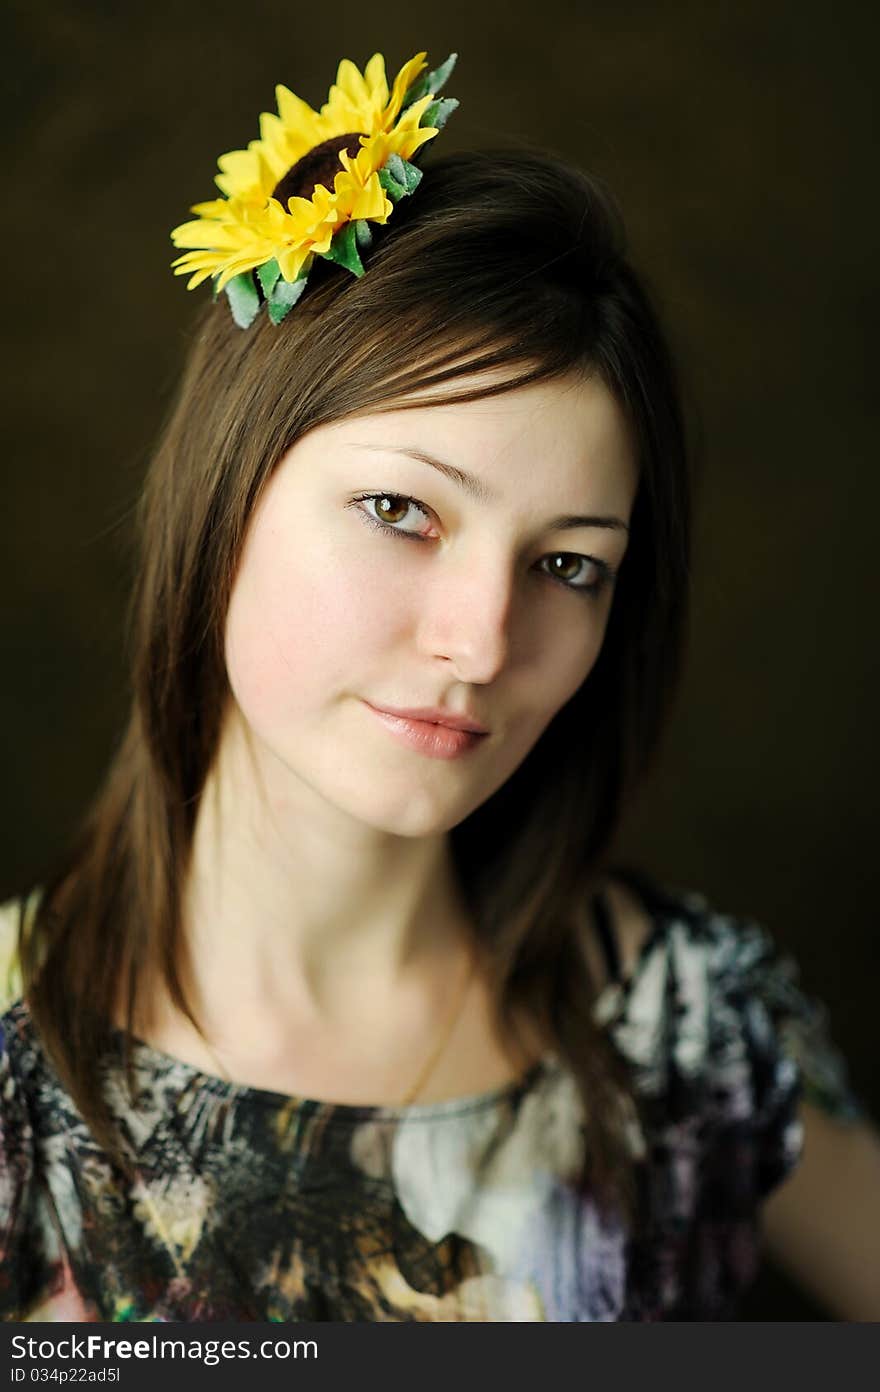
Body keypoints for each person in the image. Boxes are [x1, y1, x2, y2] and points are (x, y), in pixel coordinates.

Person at [1, 49, 877, 1324]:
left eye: (570, 565)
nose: (481, 642)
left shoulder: (678, 1024)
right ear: (222, 498)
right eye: (400, 510)